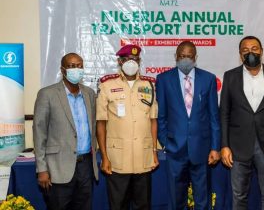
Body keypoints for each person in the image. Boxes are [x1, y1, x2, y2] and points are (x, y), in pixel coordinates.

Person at [220, 36, 264, 210]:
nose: (250, 52)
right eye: (245, 50)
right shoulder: (230, 76)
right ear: (240, 54)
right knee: (239, 196)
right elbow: (224, 114)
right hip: (237, 147)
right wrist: (225, 145)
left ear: (261, 51)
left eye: (254, 48)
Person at [156, 41, 221, 210]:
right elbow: (161, 116)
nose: (185, 59)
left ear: (195, 58)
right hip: (175, 150)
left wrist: (215, 147)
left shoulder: (208, 79)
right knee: (176, 200)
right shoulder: (163, 79)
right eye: (182, 56)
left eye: (189, 56)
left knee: (202, 200)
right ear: (176, 57)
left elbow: (214, 117)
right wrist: (166, 143)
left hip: (202, 150)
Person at [96, 44, 159, 210]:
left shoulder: (149, 85)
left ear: (139, 61)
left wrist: (154, 152)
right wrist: (104, 157)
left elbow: (153, 120)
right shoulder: (107, 86)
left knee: (143, 205)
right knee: (118, 205)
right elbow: (101, 123)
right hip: (117, 159)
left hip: (143, 156)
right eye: (127, 59)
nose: (131, 62)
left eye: (135, 59)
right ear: (120, 61)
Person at [33, 53, 98, 210]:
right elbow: (39, 132)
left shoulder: (89, 94)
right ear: (62, 70)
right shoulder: (47, 94)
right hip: (58, 167)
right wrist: (42, 169)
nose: (77, 69)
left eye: (79, 65)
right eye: (71, 66)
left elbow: (94, 127)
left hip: (86, 166)